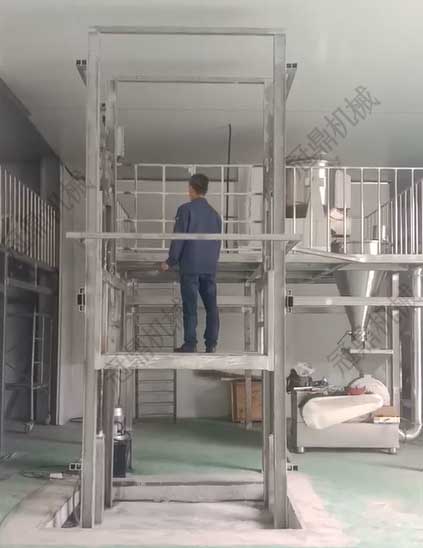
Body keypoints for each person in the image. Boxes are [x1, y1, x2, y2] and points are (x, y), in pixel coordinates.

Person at [160, 173, 222, 353]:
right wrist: (212, 261)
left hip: (191, 265)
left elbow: (179, 238)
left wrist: (170, 261)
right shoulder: (215, 215)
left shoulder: (185, 210)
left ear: (191, 188)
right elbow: (218, 243)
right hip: (209, 266)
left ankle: (190, 344)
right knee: (211, 307)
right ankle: (211, 344)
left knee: (190, 306)